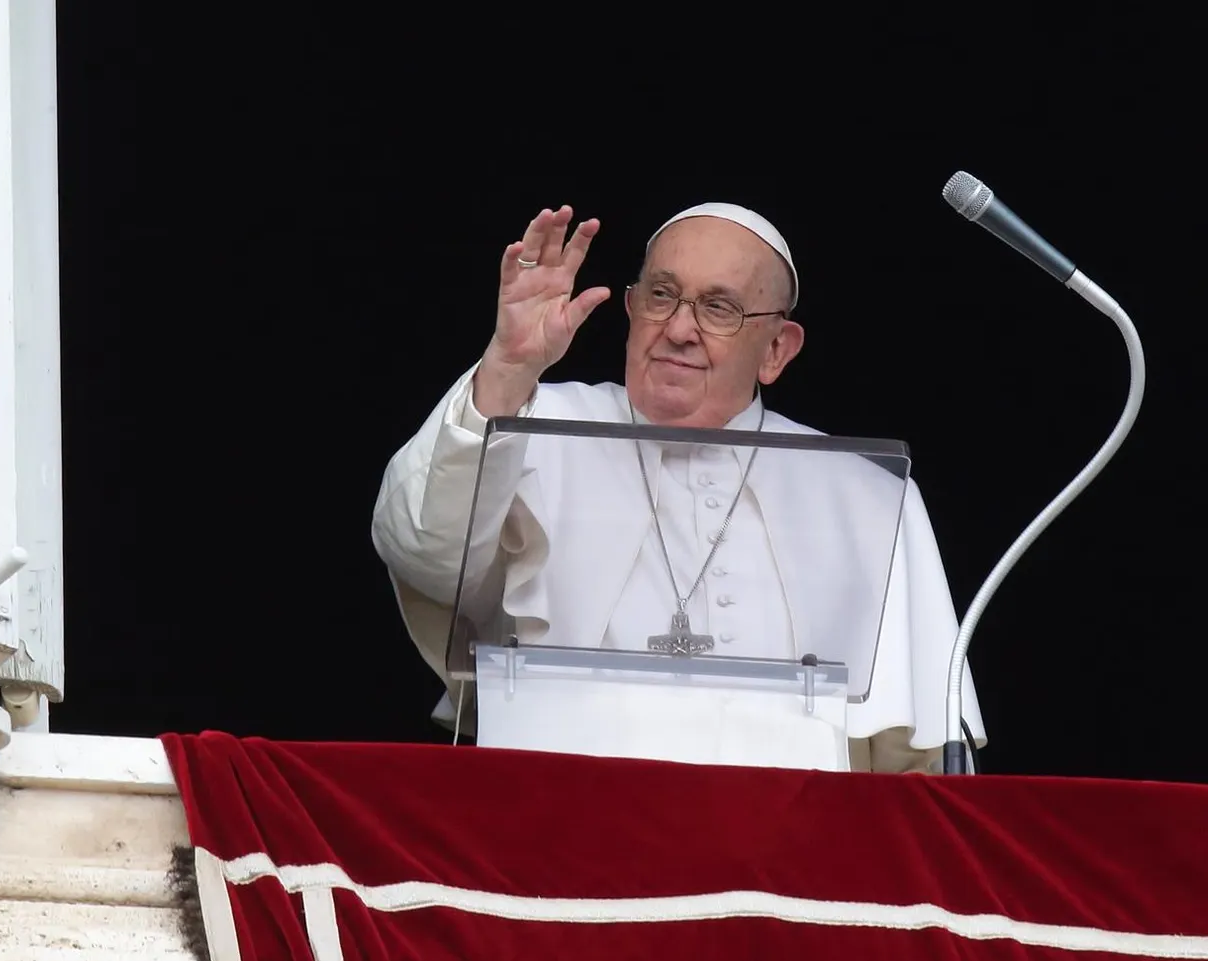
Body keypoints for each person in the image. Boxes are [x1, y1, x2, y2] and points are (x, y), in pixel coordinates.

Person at [371, 203, 985, 772]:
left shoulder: (865, 491)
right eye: (662, 295)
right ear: (634, 310)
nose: (680, 329)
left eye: (719, 308)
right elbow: (425, 551)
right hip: (563, 829)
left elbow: (923, 756)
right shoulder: (527, 423)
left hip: (791, 863)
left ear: (776, 349)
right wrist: (507, 367)